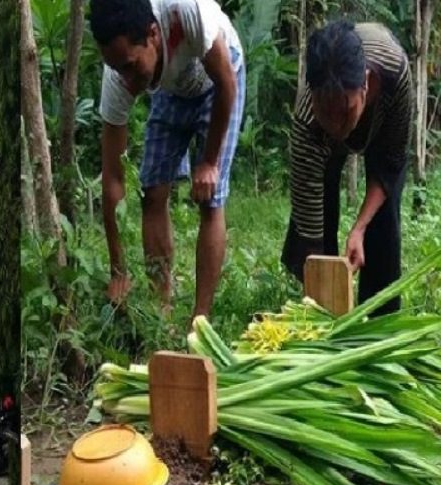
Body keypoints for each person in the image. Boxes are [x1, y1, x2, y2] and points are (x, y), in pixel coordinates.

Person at [89, 0, 245, 322]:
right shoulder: (118, 76)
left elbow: (226, 83)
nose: (128, 82)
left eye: (131, 66)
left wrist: (209, 163)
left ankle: (198, 322)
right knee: (153, 193)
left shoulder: (186, 11)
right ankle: (164, 314)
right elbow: (113, 178)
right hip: (172, 90)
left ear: (153, 33)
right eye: (119, 69)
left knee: (210, 200)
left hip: (220, 79)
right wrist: (118, 269)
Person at [282, 20, 413, 315]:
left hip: (381, 128)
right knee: (313, 233)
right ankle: (322, 311)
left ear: (366, 84)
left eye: (345, 111)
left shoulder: (394, 74)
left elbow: (389, 164)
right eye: (324, 111)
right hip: (319, 145)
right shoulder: (308, 122)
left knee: (384, 221)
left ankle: (380, 317)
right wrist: (318, 291)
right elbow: (309, 222)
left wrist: (360, 228)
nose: (335, 124)